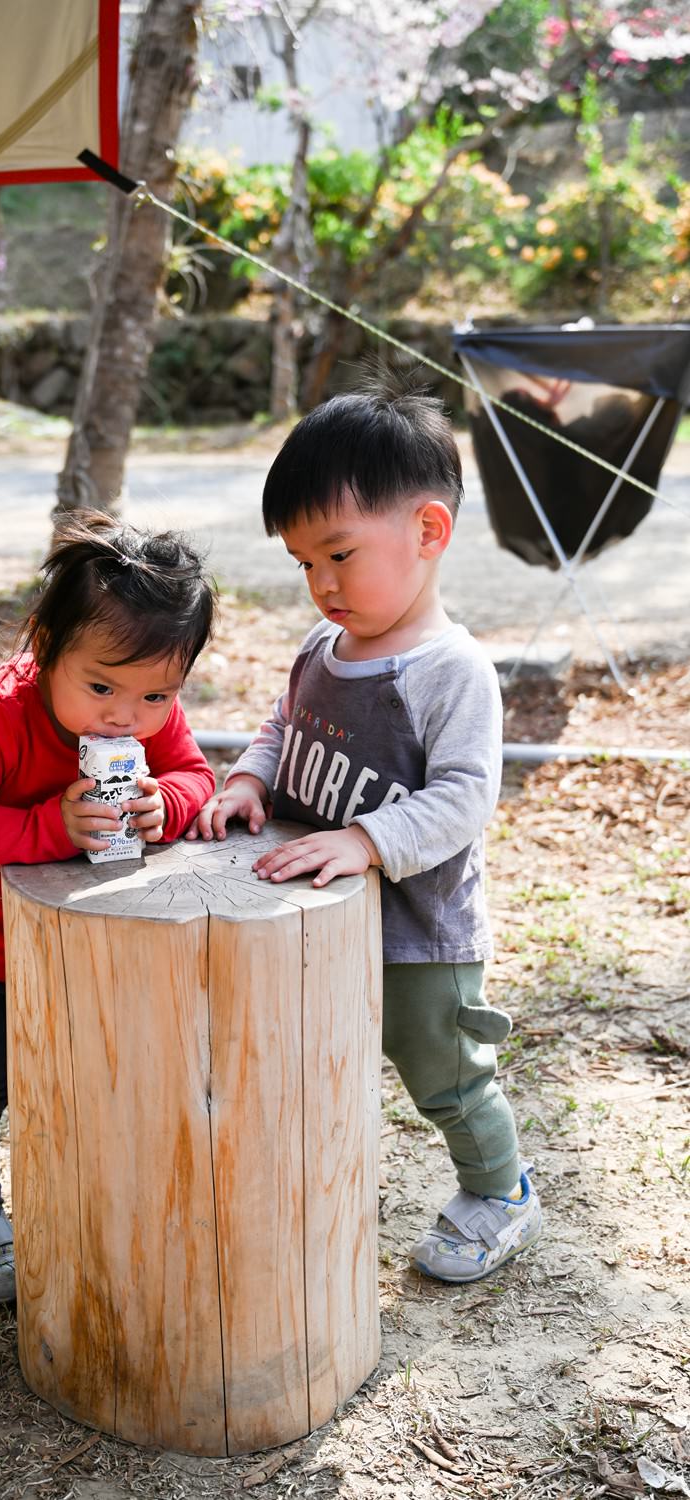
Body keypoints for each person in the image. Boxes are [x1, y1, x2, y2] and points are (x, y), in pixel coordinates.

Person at [189, 382, 542, 1283]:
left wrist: (367, 840)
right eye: (305, 563)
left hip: (418, 936)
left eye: (339, 554)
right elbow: (282, 721)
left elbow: (466, 798)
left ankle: (500, 1192)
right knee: (315, 1062)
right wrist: (248, 776)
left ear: (428, 532)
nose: (322, 583)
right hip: (314, 919)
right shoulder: (323, 645)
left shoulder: (451, 671)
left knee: (447, 1078)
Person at [0, 514, 217, 1303]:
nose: (126, 717)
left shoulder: (147, 715)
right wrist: (49, 825)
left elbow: (197, 775)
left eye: (157, 695)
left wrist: (165, 805)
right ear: (44, 647)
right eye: (102, 687)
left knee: (74, 1083)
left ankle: (69, 1208)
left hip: (75, 953)